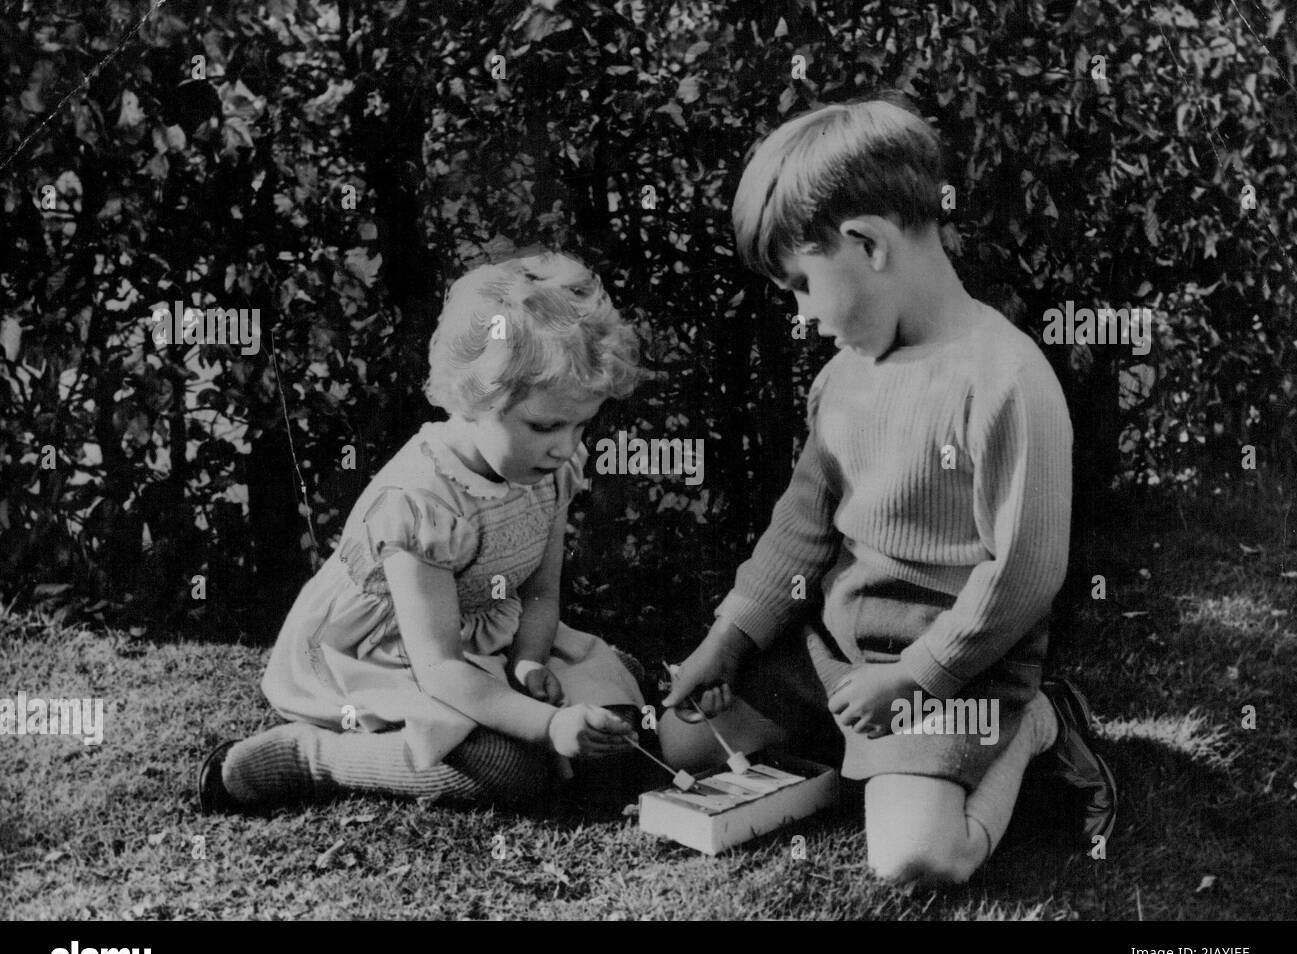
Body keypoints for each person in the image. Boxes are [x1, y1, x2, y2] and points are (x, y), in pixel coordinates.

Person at [659, 98, 1117, 886]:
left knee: (915, 857)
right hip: (837, 652)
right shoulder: (842, 381)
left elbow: (1024, 573)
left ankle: (1033, 724)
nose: (802, 315)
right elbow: (800, 528)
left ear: (867, 243)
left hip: (955, 665)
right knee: (682, 741)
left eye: (803, 284)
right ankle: (868, 754)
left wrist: (916, 678)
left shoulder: (1005, 379)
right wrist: (727, 639)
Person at [199, 252, 647, 813]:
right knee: (509, 772)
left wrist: (529, 660)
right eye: (545, 425)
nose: (565, 445)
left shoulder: (550, 469)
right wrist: (550, 724)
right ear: (472, 397)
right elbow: (438, 667)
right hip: (395, 655)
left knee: (621, 700)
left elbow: (540, 593)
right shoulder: (419, 501)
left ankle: (542, 727)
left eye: (581, 423)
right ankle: (314, 757)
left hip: (485, 638)